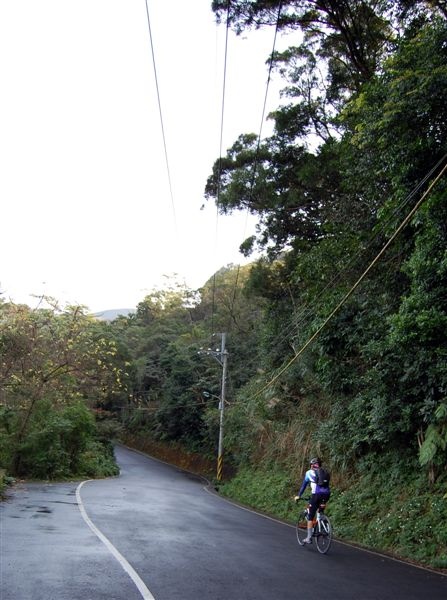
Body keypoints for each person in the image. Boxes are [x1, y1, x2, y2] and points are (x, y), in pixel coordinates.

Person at [294, 457, 330, 544]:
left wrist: (298, 496)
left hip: (316, 495)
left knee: (310, 517)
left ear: (311, 465)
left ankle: (309, 538)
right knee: (320, 511)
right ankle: (324, 525)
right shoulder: (324, 472)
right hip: (326, 494)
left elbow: (303, 486)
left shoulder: (309, 473)